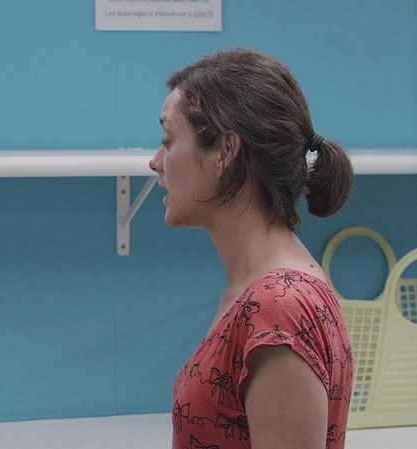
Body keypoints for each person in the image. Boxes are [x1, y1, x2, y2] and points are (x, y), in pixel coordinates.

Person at [149, 48, 354, 449]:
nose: (156, 162)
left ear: (225, 151)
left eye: (168, 141)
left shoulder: (279, 307)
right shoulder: (259, 292)